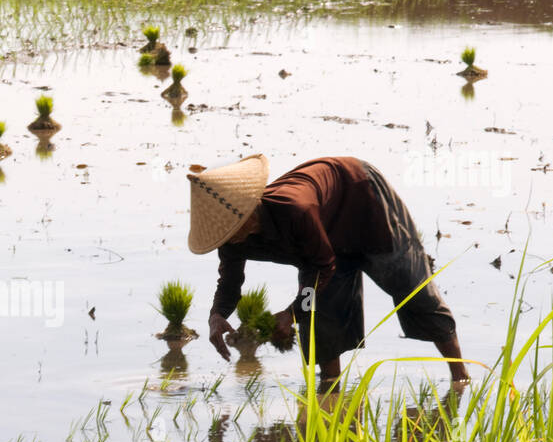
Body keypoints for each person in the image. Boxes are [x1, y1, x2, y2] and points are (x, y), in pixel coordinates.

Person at [187, 154, 468, 386]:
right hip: (323, 241)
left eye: (233, 230)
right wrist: (217, 315)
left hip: (366, 204)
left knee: (412, 288)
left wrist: (292, 313)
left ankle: (460, 377)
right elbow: (230, 281)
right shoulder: (232, 238)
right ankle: (330, 387)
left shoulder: (295, 211)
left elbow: (322, 265)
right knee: (319, 307)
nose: (229, 239)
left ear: (249, 212)